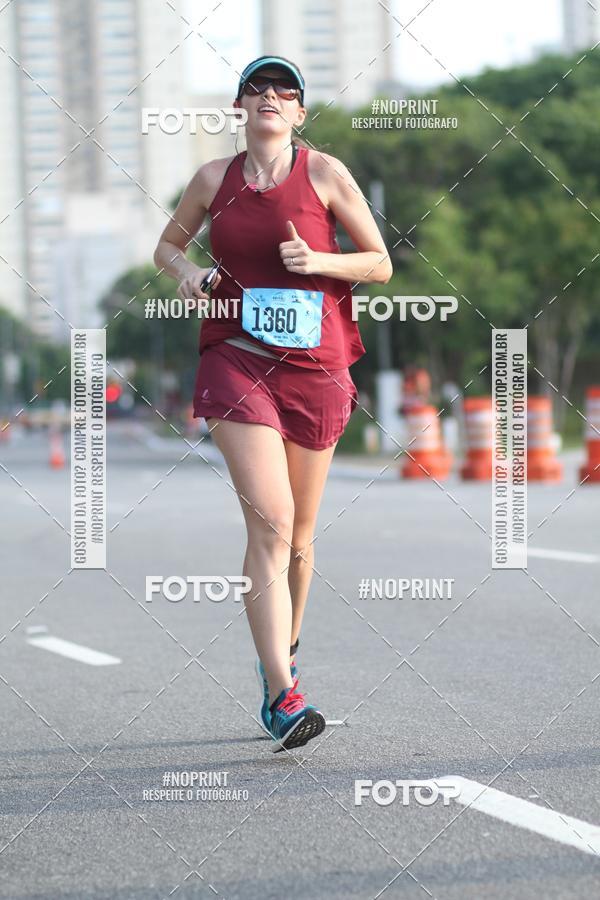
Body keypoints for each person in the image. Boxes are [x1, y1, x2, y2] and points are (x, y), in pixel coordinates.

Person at [154, 55, 392, 752]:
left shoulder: (326, 173)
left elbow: (379, 262)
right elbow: (167, 246)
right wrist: (188, 270)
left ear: (299, 113)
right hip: (236, 357)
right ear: (239, 106)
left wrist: (319, 262)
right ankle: (285, 695)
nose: (270, 96)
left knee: (302, 532)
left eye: (285, 91)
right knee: (273, 521)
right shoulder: (212, 180)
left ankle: (280, 658)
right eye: (256, 88)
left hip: (317, 367)